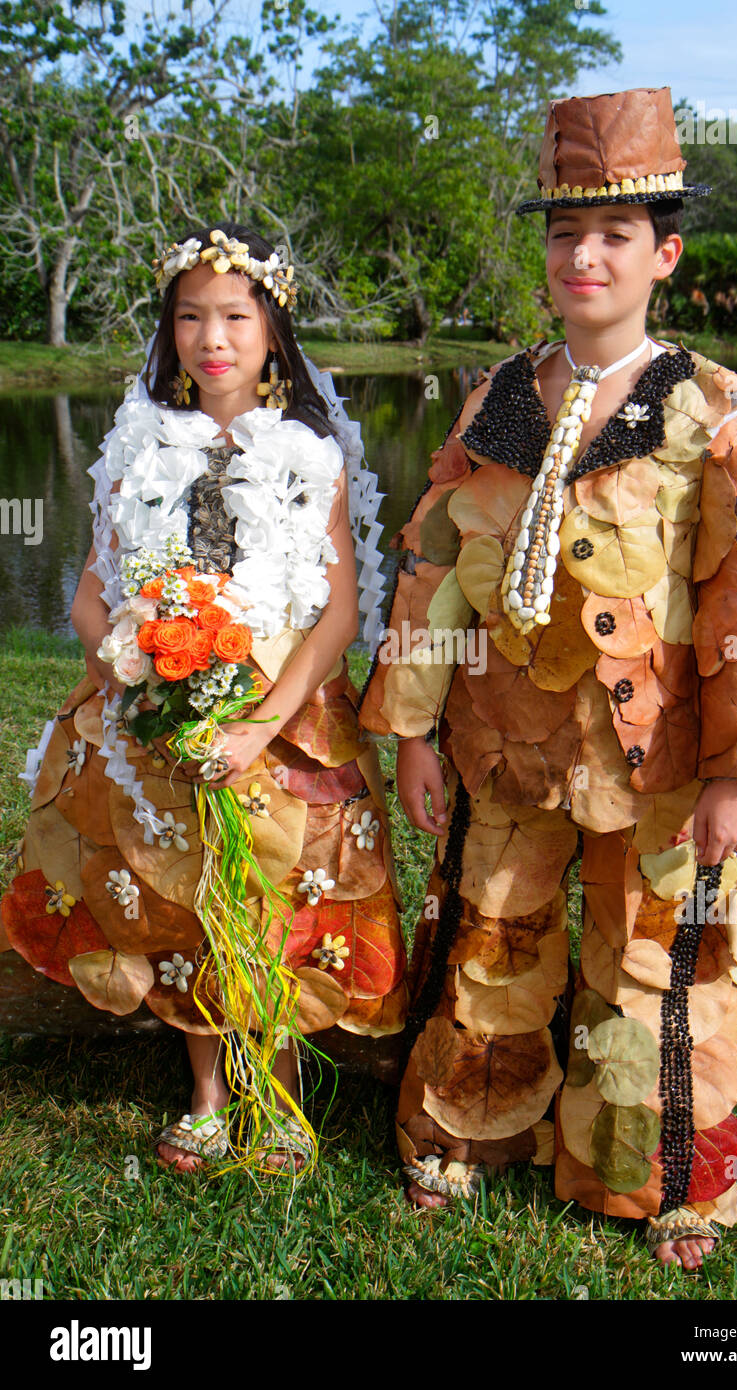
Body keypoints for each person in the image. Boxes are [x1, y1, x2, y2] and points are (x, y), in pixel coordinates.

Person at [359, 88, 737, 1269]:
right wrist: (409, 728)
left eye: (612, 234)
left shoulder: (712, 410)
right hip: (506, 737)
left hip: (656, 753)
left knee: (651, 959)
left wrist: (733, 774)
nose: (583, 256)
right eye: (563, 233)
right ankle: (467, 1130)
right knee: (492, 936)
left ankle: (655, 1175)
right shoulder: (500, 393)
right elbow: (435, 569)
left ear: (663, 254)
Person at [1, 221, 405, 1175]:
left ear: (273, 329)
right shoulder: (138, 443)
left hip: (281, 706)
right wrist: (129, 669)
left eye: (234, 315)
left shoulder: (313, 452)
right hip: (154, 699)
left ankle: (281, 1086)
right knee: (170, 886)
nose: (210, 337)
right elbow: (91, 588)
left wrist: (262, 721)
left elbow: (341, 611)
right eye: (189, 317)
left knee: (276, 884)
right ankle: (207, 1088)